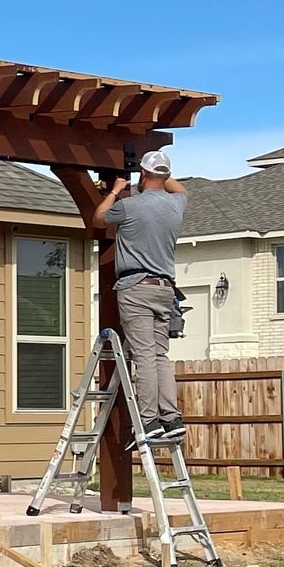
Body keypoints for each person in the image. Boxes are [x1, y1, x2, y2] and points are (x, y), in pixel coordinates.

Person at [93, 150, 188, 440]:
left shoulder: (130, 206)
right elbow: (179, 188)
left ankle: (148, 421)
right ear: (166, 175)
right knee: (160, 355)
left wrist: (116, 191)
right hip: (164, 290)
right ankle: (171, 418)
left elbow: (98, 218)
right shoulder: (176, 205)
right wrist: (162, 177)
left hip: (136, 287)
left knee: (144, 356)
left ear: (143, 175)